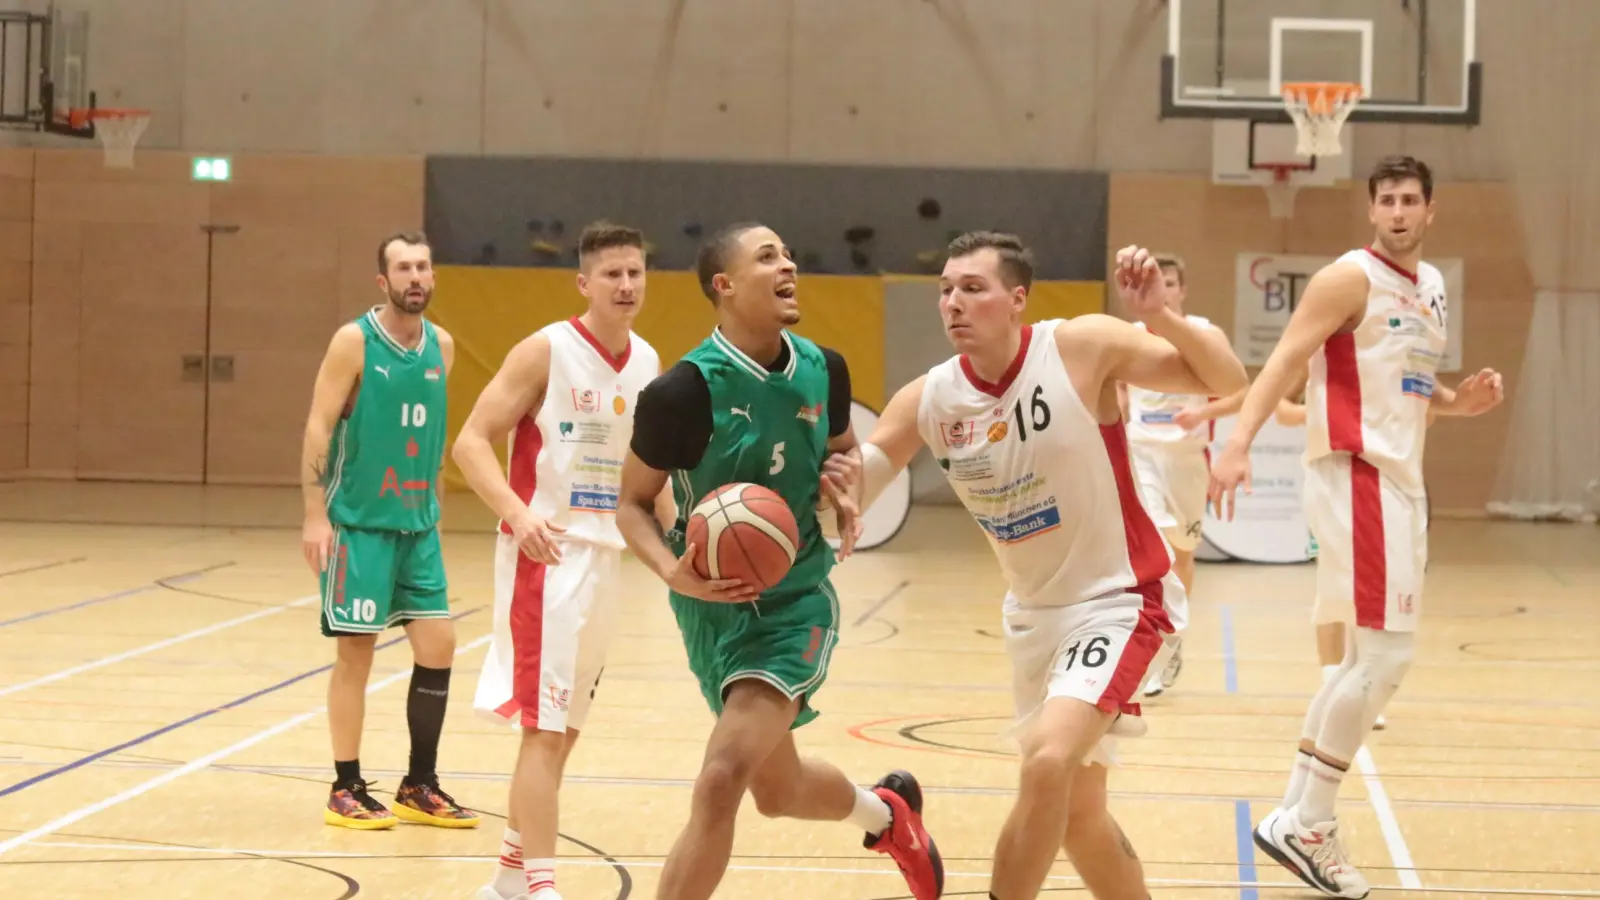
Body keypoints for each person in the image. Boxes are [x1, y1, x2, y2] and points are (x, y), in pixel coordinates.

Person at [843, 232, 1249, 900]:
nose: (953, 302)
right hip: (1033, 617)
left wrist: (1161, 315)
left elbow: (1227, 380)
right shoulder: (929, 398)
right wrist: (814, 496)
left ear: (1017, 299)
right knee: (1081, 815)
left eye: (973, 288)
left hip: (1120, 598)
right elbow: (858, 484)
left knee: (1048, 763)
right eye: (945, 289)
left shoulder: (1080, 347)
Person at [613, 222, 944, 900]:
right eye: (768, 257)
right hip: (708, 606)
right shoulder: (681, 394)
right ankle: (889, 816)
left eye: (790, 252)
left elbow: (843, 448)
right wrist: (672, 571)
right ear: (724, 286)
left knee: (720, 778)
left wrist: (845, 485)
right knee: (776, 788)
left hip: (794, 602)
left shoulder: (824, 368)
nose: (788, 263)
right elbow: (631, 505)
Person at [1208, 155, 1504, 899]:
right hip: (1357, 474)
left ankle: (1298, 817)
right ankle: (1308, 821)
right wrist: (1238, 442)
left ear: (1431, 210)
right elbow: (1283, 361)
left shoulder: (1431, 289)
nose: (1399, 211)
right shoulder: (1348, 278)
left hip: (1403, 482)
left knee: (1363, 662)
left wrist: (1453, 403)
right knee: (1386, 657)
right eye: (1387, 200)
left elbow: (1404, 378)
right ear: (1372, 210)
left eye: (1411, 200)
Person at [452, 222, 669, 900]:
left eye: (635, 272)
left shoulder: (647, 362)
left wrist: (680, 549)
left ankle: (508, 880)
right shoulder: (545, 349)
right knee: (543, 732)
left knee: (565, 731)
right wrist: (519, 515)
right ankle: (542, 889)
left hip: (608, 559)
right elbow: (469, 443)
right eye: (612, 274)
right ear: (585, 284)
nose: (627, 285)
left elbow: (649, 477)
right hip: (547, 555)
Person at [299, 230, 477, 830]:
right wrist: (313, 511)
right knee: (357, 654)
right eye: (403, 268)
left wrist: (432, 506)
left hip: (417, 528)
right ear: (384, 281)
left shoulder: (443, 347)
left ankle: (419, 784)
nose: (415, 277)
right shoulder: (354, 341)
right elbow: (321, 425)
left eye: (423, 266)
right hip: (360, 525)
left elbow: (426, 441)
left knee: (440, 645)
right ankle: (345, 785)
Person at [1113, 252, 1242, 697]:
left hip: (1188, 460)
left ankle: (1173, 637)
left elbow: (1242, 391)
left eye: (1168, 281)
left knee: (1181, 555)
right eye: (1154, 280)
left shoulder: (1205, 334)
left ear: (1181, 290)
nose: (1161, 288)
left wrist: (1204, 410)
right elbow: (1117, 387)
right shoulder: (1130, 336)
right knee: (1154, 550)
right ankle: (1143, 644)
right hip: (1142, 453)